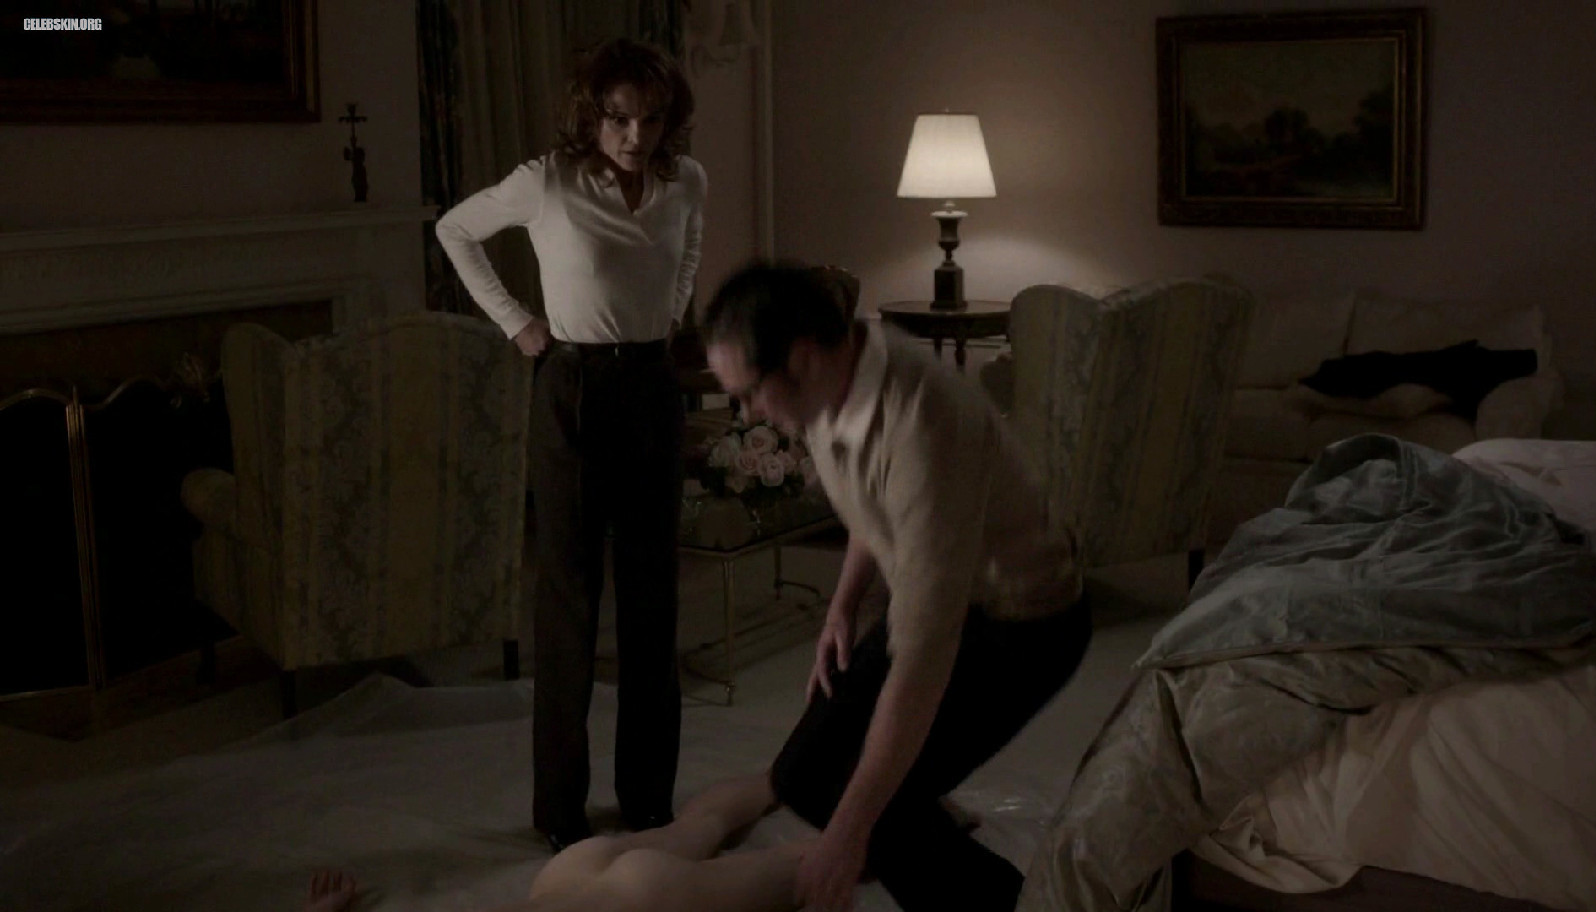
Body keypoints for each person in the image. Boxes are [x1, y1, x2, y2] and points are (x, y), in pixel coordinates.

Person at [698, 261, 1093, 912]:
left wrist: (849, 837)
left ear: (802, 358)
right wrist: (842, 608)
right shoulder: (837, 380)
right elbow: (872, 501)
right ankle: (925, 830)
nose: (746, 414)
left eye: (747, 394)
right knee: (802, 778)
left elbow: (921, 663)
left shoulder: (926, 425)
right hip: (937, 595)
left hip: (1024, 622)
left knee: (875, 812)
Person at [435, 37, 706, 852]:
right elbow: (455, 230)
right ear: (592, 115)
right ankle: (560, 810)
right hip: (574, 389)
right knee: (569, 603)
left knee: (653, 601)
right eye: (619, 118)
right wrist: (517, 323)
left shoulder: (686, 181)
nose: (634, 135)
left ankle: (648, 800)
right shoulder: (547, 180)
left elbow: (689, 247)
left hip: (652, 388)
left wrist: (670, 314)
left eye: (649, 119)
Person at [303, 773, 806, 912]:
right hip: (568, 874)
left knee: (804, 869)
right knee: (701, 824)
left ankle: (824, 778)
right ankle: (790, 771)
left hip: (637, 899)